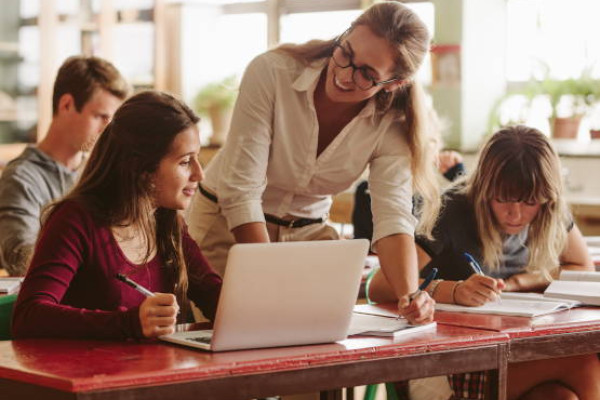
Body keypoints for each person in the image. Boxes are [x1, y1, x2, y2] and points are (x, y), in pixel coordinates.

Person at [186, 1, 440, 324]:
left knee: (313, 350)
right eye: (346, 53)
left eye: (366, 74)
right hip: (226, 226)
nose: (345, 75)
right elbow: (241, 191)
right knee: (231, 340)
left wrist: (410, 296)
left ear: (393, 84)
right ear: (343, 36)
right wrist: (264, 278)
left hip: (305, 237)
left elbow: (393, 217)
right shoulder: (272, 72)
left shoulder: (393, 123)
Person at [369, 125, 600, 400]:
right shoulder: (452, 210)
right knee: (580, 363)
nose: (515, 214)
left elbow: (581, 268)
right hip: (445, 363)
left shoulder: (549, 209)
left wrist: (521, 281)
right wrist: (454, 291)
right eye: (502, 199)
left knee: (560, 397)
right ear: (484, 188)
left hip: (514, 351)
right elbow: (379, 286)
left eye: (529, 202)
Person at [12, 91, 222, 340]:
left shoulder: (168, 222)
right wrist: (128, 323)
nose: (200, 174)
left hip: (154, 373)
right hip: (89, 375)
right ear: (142, 169)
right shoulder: (74, 220)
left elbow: (215, 296)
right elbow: (28, 317)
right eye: (186, 162)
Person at [0, 55, 130, 276]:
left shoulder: (100, 172)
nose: (109, 130)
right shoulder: (21, 179)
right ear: (66, 104)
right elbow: (19, 258)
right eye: (100, 117)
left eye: (112, 120)